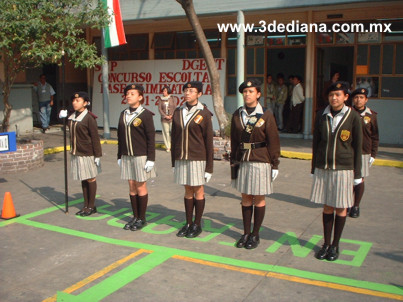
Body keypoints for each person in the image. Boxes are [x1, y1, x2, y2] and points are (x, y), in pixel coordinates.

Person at [311, 81, 363, 261]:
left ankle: (335, 245)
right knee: (327, 207)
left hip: (344, 168)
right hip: (324, 168)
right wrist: (314, 167)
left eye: (338, 95)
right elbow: (316, 142)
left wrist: (357, 174)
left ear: (346, 97)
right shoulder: (321, 115)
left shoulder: (353, 116)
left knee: (341, 208)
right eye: (331, 95)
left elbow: (358, 146)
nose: (334, 98)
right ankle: (326, 243)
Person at [230, 79, 280, 249]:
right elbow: (235, 141)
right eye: (245, 91)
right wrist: (233, 163)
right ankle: (245, 233)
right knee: (245, 198)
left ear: (258, 94)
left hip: (260, 160)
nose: (247, 94)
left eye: (251, 91)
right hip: (243, 160)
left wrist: (275, 164)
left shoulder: (266, 114)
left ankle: (255, 234)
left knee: (258, 198)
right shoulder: (237, 114)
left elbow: (273, 140)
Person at [171, 81, 213, 239]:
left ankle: (197, 223)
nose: (187, 93)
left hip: (197, 158)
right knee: (187, 190)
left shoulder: (204, 113)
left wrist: (209, 168)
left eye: (192, 91)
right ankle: (188, 223)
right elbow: (174, 138)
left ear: (199, 94)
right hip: (182, 158)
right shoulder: (178, 111)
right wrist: (173, 162)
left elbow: (208, 142)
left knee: (198, 190)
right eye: (186, 90)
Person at [117, 84, 156, 231]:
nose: (128, 96)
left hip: (141, 156)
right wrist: (119, 155)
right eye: (127, 93)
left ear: (140, 97)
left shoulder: (145, 114)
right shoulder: (124, 113)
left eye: (132, 93)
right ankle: (135, 216)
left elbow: (151, 138)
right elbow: (120, 136)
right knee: (131, 186)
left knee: (140, 186)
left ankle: (142, 218)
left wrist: (151, 158)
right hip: (127, 156)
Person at [59, 92, 102, 216]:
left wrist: (97, 155)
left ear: (85, 103)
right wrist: (61, 117)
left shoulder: (89, 117)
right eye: (74, 100)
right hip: (76, 152)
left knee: (90, 178)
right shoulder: (72, 116)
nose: (75, 103)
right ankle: (86, 204)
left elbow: (95, 137)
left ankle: (91, 206)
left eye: (78, 101)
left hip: (87, 152)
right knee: (83, 178)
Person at [350, 87, 379, 218]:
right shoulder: (348, 113)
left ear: (366, 100)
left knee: (360, 179)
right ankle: (347, 203)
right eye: (356, 97)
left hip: (364, 152)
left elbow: (375, 136)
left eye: (361, 98)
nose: (358, 100)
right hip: (349, 151)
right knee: (348, 179)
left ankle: (356, 205)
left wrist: (373, 154)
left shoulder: (371, 115)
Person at [158, 86, 176, 152]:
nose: (164, 92)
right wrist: (165, 116)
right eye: (163, 91)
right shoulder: (161, 99)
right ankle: (168, 146)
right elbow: (160, 109)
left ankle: (173, 146)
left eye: (165, 91)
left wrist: (171, 115)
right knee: (166, 132)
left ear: (168, 91)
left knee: (173, 132)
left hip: (172, 118)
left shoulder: (172, 98)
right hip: (164, 119)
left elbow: (175, 107)